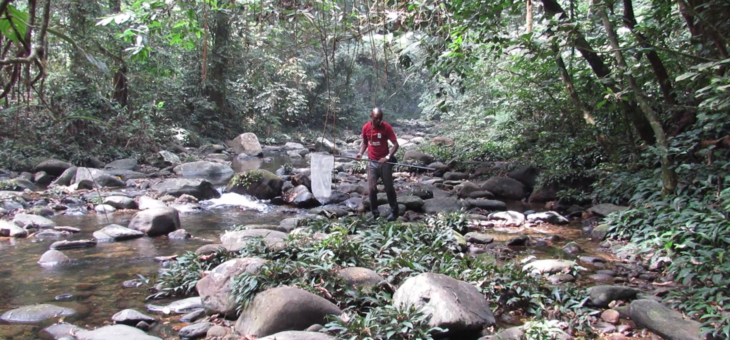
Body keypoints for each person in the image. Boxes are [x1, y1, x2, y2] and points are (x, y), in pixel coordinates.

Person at [355, 107, 400, 221]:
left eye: (380, 118)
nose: (379, 121)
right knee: (371, 189)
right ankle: (375, 214)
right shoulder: (366, 127)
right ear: (371, 117)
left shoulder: (386, 127)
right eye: (376, 118)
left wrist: (387, 157)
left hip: (384, 162)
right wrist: (360, 153)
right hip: (372, 162)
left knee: (389, 188)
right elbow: (365, 143)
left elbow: (395, 145)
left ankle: (394, 212)